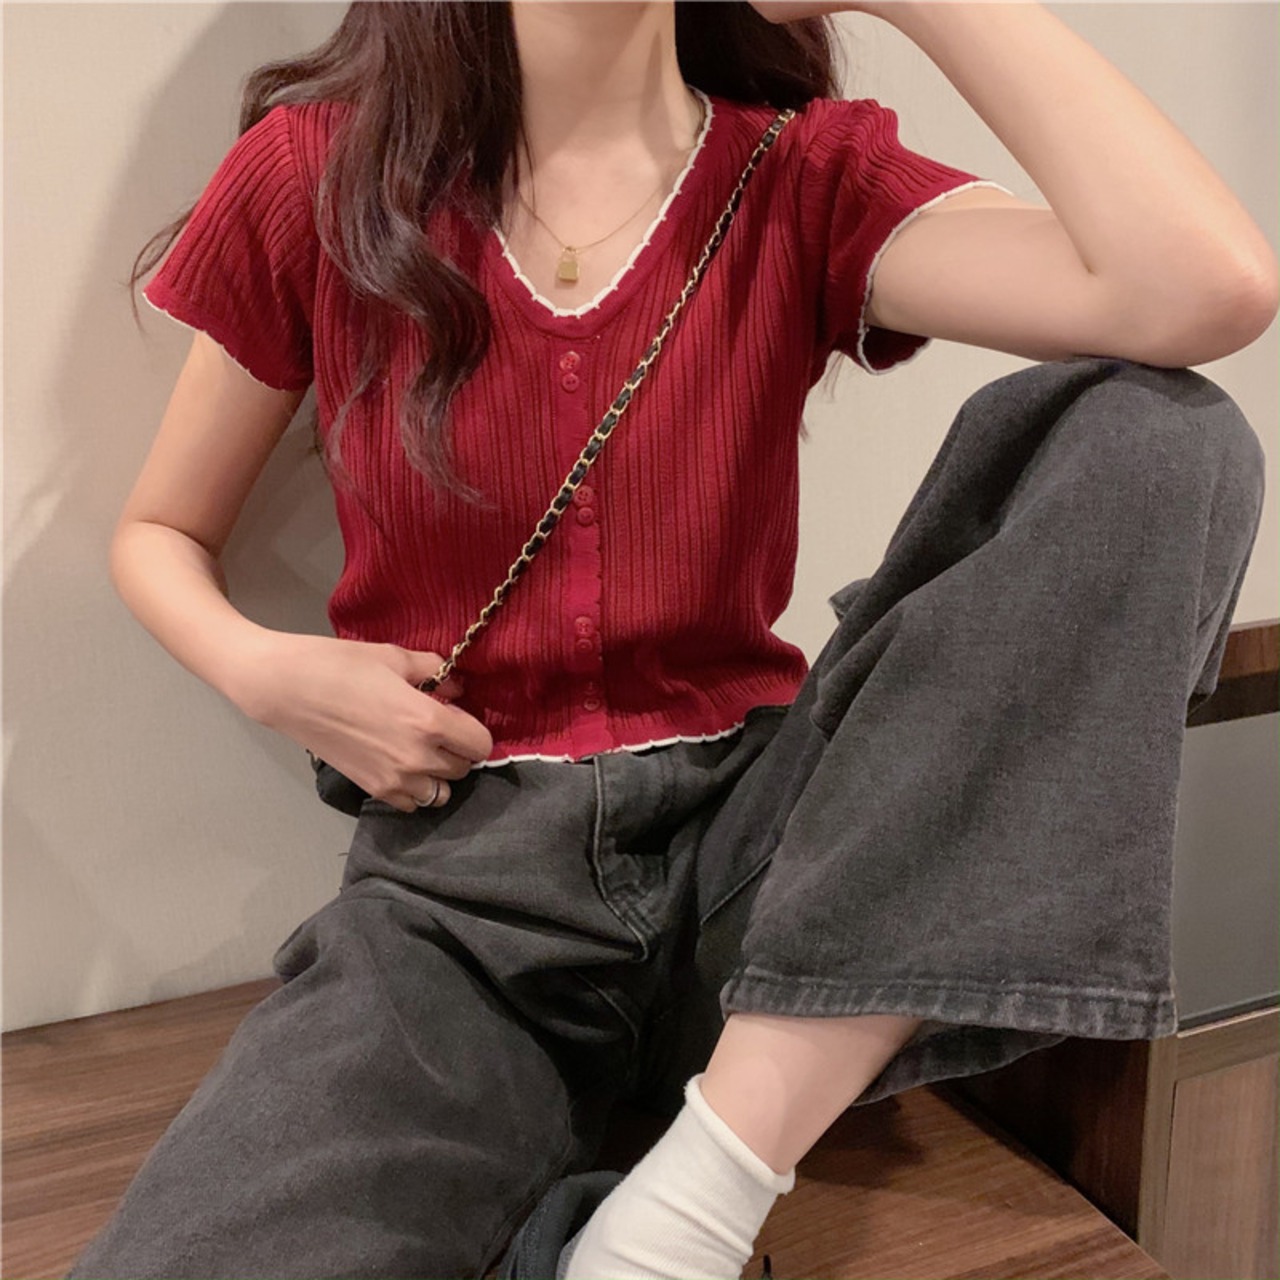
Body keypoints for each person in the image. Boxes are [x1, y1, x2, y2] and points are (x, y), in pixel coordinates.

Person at [69, 1, 1274, 1278]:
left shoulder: (803, 174)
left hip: (763, 862)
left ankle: (692, 1203)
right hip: (465, 905)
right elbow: (159, 529)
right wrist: (269, 669)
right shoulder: (320, 174)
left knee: (1167, 436)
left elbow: (1201, 290)